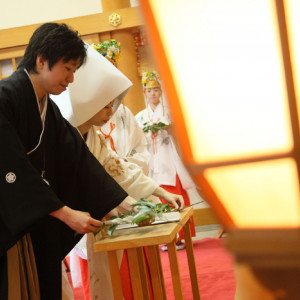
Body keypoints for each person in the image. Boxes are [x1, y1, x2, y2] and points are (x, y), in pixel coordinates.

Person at [0, 23, 138, 300]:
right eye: (68, 68)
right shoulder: (5, 98)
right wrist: (64, 212)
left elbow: (79, 160)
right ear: (42, 60)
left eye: (74, 70)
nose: (71, 79)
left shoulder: (47, 109)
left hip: (34, 216)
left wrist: (119, 203)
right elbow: (11, 166)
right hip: (8, 217)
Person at [53, 45, 185, 300]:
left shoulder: (93, 136)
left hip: (93, 215)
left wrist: (159, 192)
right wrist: (129, 205)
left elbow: (119, 168)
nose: (110, 113)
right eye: (104, 107)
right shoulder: (63, 136)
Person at [136, 71, 198, 251]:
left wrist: (171, 131)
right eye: (149, 90)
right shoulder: (140, 117)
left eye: (156, 89)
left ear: (160, 92)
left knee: (174, 189)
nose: (153, 93)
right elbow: (137, 140)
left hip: (168, 157)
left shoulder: (169, 113)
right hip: (151, 158)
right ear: (145, 93)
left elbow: (182, 134)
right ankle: (164, 235)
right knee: (156, 193)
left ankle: (182, 235)